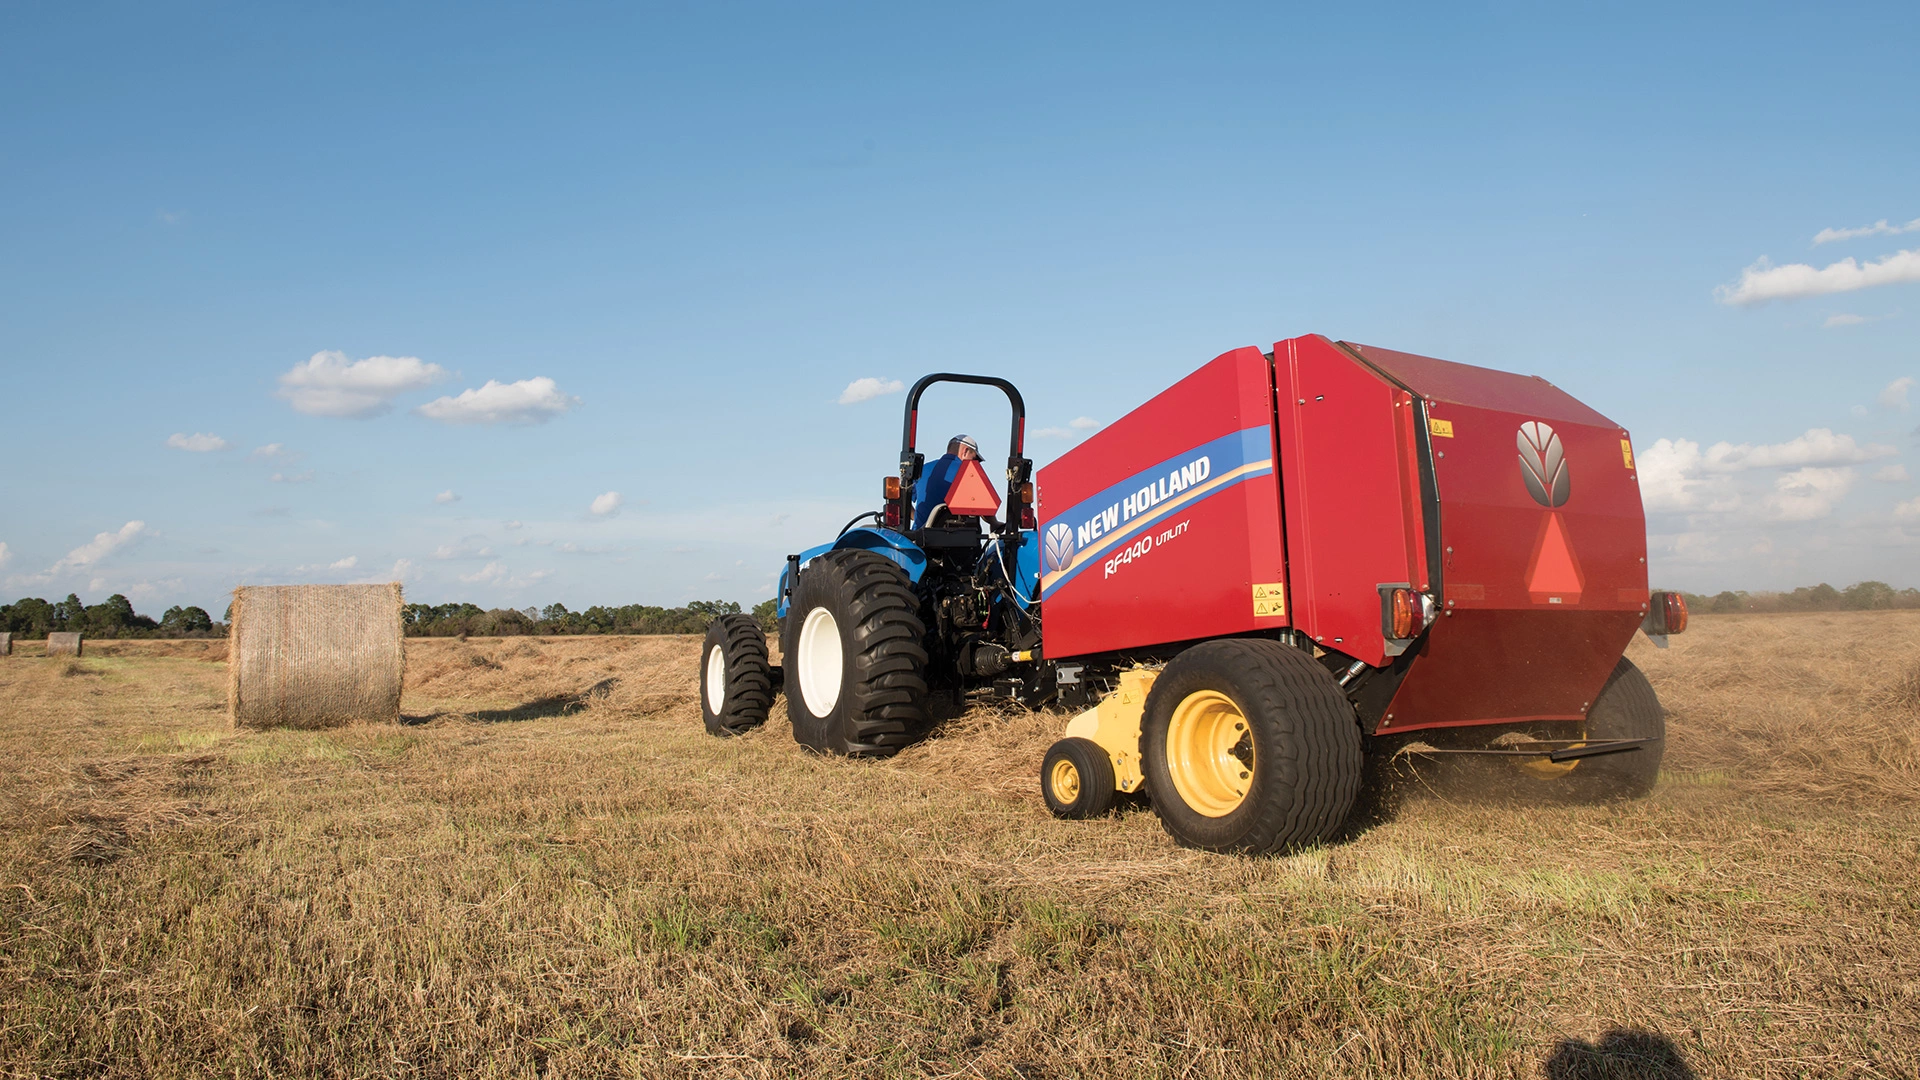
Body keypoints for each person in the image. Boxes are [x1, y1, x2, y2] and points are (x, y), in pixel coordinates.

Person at [913, 434, 980, 529]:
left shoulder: (923, 469)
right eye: (973, 459)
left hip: (920, 538)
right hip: (957, 538)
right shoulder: (969, 472)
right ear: (965, 451)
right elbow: (984, 507)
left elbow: (903, 499)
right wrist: (994, 522)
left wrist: (920, 519)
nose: (974, 463)